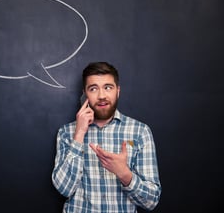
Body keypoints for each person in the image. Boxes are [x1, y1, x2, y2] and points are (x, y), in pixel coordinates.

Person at [52, 62, 161, 213]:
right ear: (85, 94)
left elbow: (151, 201)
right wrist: (79, 135)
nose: (102, 96)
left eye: (108, 87)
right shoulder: (66, 132)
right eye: (93, 89)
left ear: (118, 91)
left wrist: (124, 174)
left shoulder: (140, 132)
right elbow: (64, 189)